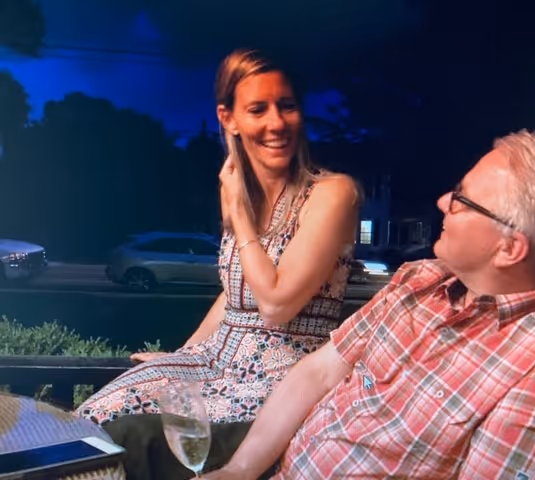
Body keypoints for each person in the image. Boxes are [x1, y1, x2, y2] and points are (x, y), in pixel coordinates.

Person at [106, 129, 535, 480]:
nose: (442, 202)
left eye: (462, 199)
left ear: (510, 247)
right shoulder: (420, 281)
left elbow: (275, 304)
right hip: (280, 460)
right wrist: (240, 469)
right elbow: (318, 373)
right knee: (118, 439)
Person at [76, 48, 358, 426]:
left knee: (131, 428)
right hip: (214, 359)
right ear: (229, 119)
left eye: (287, 106)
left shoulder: (331, 193)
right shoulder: (244, 195)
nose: (276, 122)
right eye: (258, 109)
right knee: (94, 413)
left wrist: (238, 214)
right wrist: (182, 354)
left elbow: (276, 306)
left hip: (282, 377)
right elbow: (234, 294)